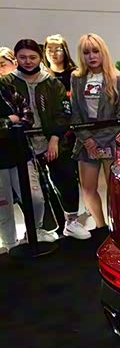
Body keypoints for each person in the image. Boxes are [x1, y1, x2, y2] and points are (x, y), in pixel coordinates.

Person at [2, 39, 81, 240]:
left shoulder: (52, 82)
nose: (28, 61)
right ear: (16, 58)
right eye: (23, 57)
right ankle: (40, 229)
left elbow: (63, 113)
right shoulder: (7, 83)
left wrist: (54, 139)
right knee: (34, 192)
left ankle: (71, 222)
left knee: (66, 179)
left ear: (40, 57)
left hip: (54, 141)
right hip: (22, 145)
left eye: (32, 57)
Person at [71, 33, 120, 231]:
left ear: (103, 52)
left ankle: (117, 229)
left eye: (95, 51)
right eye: (86, 52)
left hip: (110, 141)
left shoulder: (119, 79)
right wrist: (87, 139)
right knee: (88, 188)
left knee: (114, 189)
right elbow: (75, 113)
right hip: (85, 140)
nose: (91, 56)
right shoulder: (76, 78)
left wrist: (99, 141)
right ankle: (100, 228)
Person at [0, 71, 45, 252]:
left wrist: (7, 124)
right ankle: (10, 245)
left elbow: (28, 117)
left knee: (36, 199)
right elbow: (16, 119)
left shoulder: (6, 90)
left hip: (20, 154)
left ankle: (34, 233)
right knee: (3, 207)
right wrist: (9, 121)